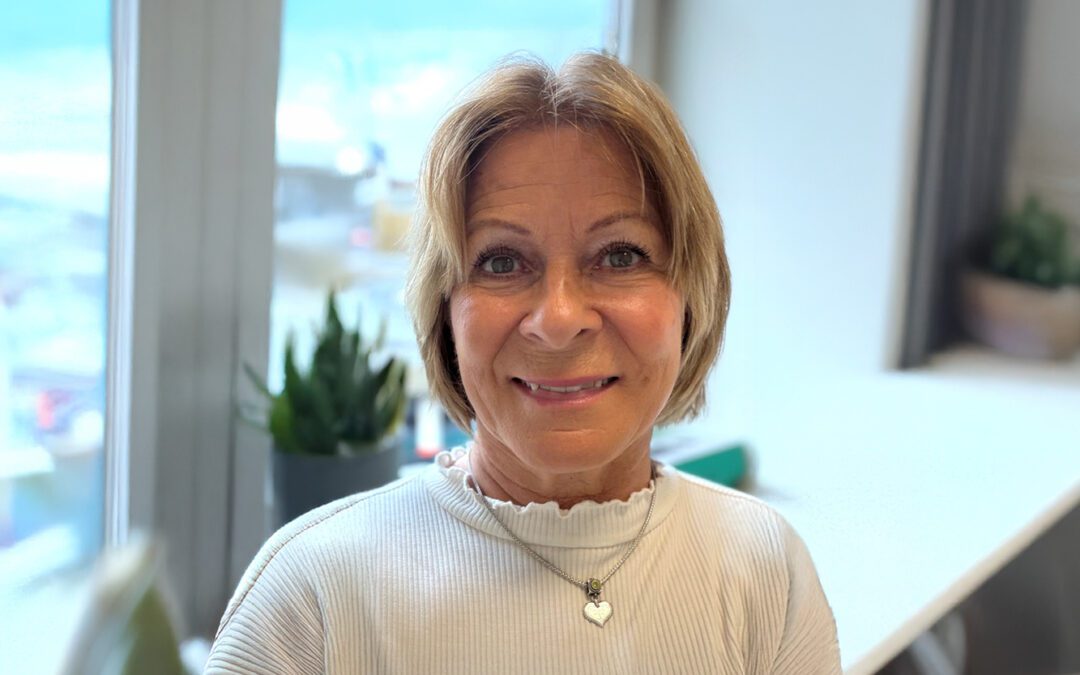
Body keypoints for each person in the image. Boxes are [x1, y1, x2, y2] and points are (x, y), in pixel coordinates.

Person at [207, 52, 840, 674]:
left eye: (619, 256)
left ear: (690, 296)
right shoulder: (310, 599)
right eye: (502, 262)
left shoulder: (766, 570)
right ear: (444, 312)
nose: (559, 319)